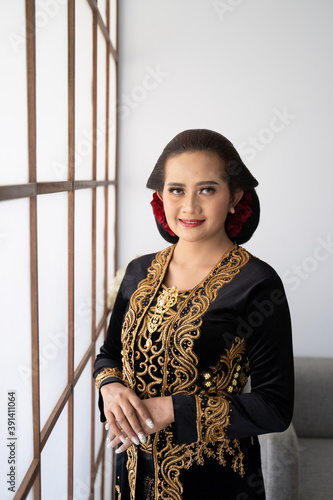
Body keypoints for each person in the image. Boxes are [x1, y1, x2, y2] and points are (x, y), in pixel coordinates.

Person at [93, 129, 294, 500]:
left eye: (207, 189)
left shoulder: (257, 284)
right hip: (133, 474)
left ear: (234, 196)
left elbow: (275, 406)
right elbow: (109, 354)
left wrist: (173, 409)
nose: (189, 207)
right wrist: (110, 387)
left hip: (216, 480)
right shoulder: (137, 272)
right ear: (160, 197)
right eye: (176, 190)